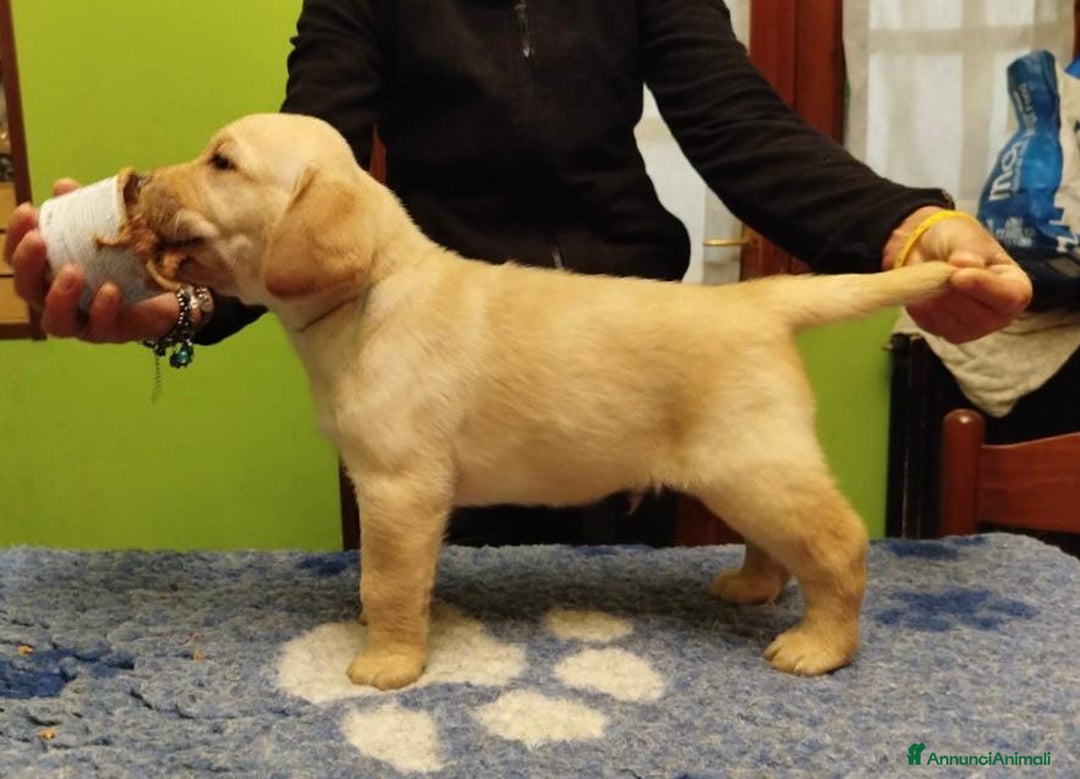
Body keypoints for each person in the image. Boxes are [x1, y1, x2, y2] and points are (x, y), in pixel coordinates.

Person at [5, 1, 1031, 545]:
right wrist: (179, 297)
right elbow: (297, 192)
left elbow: (739, 128)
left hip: (613, 368)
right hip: (422, 383)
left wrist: (909, 226)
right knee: (407, 679)